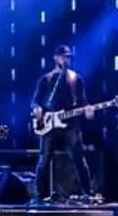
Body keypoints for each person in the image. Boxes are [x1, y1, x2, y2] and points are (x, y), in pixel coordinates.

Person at [30, 44, 94, 204]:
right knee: (44, 159)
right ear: (56, 58)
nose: (66, 59)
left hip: (71, 123)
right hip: (49, 123)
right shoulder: (46, 79)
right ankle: (38, 195)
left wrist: (88, 110)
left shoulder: (75, 78)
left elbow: (83, 101)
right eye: (63, 56)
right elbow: (35, 101)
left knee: (79, 158)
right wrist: (38, 110)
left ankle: (88, 193)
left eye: (68, 57)